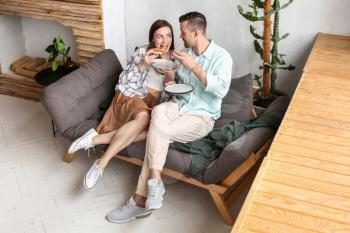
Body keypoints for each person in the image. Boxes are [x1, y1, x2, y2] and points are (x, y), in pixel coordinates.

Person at [106, 11, 233, 223]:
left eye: (182, 32)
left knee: (158, 132)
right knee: (157, 112)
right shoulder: (185, 52)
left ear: (196, 32)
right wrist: (172, 77)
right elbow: (180, 84)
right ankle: (156, 182)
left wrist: (194, 66)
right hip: (178, 106)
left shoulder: (222, 57)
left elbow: (220, 90)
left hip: (201, 116)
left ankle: (139, 199)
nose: (179, 37)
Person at [66, 19, 175, 190]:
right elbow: (123, 80)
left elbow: (172, 94)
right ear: (153, 39)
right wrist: (143, 65)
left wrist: (170, 79)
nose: (165, 41)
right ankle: (101, 164)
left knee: (153, 129)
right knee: (144, 118)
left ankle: (93, 139)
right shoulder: (143, 52)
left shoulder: (175, 60)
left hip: (151, 104)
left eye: (168, 35)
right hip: (130, 95)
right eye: (159, 37)